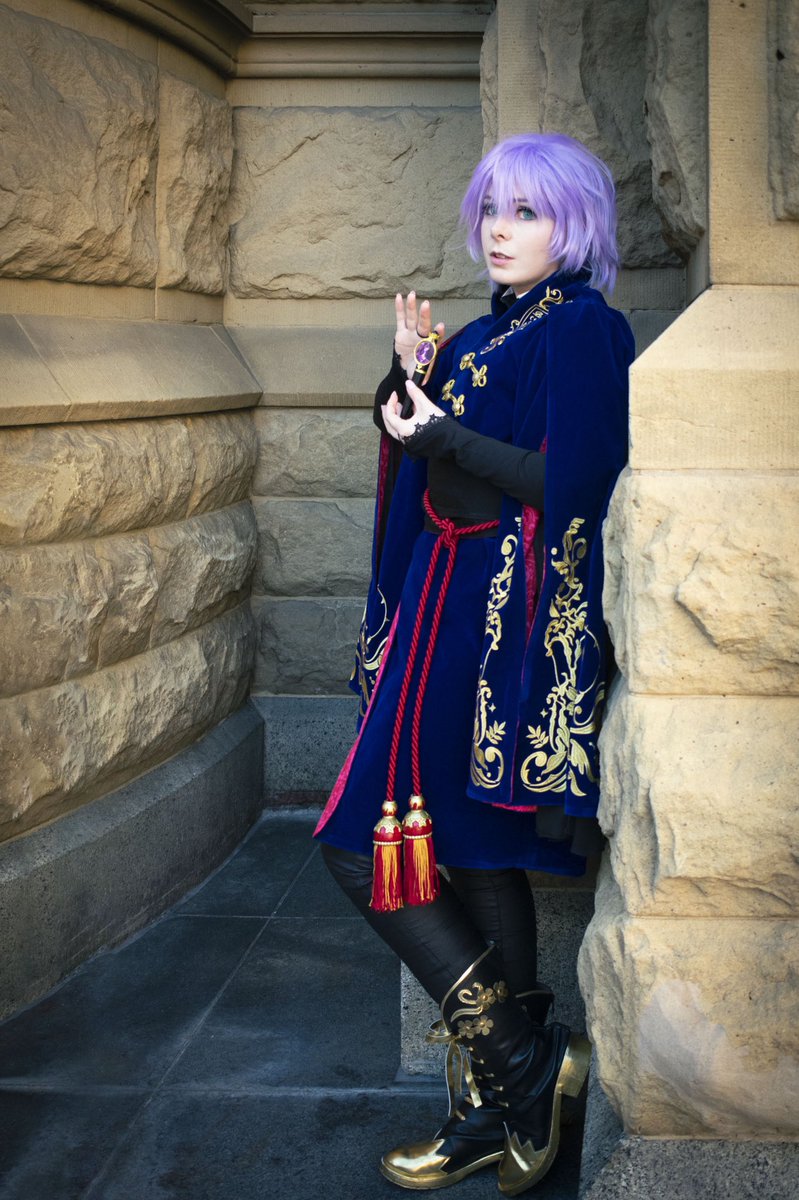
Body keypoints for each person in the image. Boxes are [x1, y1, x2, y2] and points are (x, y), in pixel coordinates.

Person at [314, 132, 634, 1194]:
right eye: (492, 208)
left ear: (572, 225)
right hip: (441, 613)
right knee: (466, 853)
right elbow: (420, 445)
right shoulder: (487, 332)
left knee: (367, 846)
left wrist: (440, 434)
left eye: (527, 212)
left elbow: (573, 480)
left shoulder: (582, 327)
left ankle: (520, 1072)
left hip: (498, 626)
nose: (500, 229)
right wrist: (408, 379)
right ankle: (512, 1093)